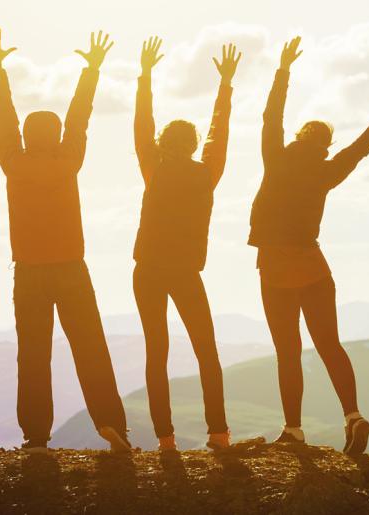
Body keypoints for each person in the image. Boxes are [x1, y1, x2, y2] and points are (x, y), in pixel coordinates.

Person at [248, 36, 369, 455]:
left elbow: (272, 116)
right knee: (330, 345)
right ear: (325, 145)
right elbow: (363, 145)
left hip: (275, 267)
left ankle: (293, 431)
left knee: (288, 351)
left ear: (300, 136)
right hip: (314, 266)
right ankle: (353, 416)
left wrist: (283, 70)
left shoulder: (276, 157)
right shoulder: (329, 170)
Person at [0, 28, 132, 454]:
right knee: (91, 347)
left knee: (32, 355)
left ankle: (36, 437)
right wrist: (92, 71)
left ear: (27, 135)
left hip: (29, 272)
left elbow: (2, 117)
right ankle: (110, 422)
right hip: (71, 269)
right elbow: (79, 118)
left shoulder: (13, 162)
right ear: (56, 134)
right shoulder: (68, 161)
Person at [132, 37, 239, 452]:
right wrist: (225, 86)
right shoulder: (207, 172)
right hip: (184, 271)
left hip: (148, 270)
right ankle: (219, 434)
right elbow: (220, 132)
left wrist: (144, 77)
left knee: (156, 353)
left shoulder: (153, 168)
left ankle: (165, 440)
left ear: (163, 142)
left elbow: (141, 125)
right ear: (193, 145)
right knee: (206, 352)